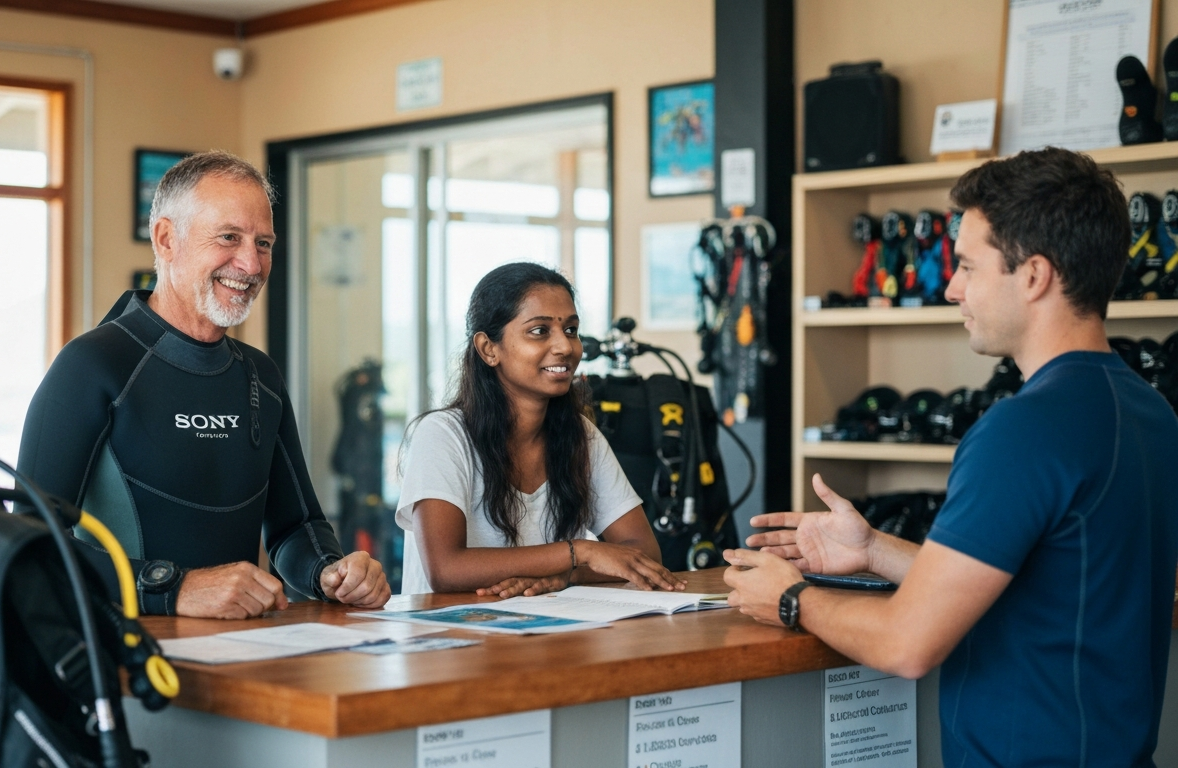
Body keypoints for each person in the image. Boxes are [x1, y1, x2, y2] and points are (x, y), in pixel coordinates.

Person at [723, 147, 1178, 767]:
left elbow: (907, 643)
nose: (951, 285)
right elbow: (1043, 588)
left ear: (1035, 275)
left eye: (967, 265)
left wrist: (791, 597)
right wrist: (873, 550)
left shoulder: (1023, 430)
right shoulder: (1151, 413)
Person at [18, 151, 390, 619]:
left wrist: (332, 573)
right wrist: (176, 588)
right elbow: (29, 543)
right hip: (134, 664)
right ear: (167, 238)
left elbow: (297, 527)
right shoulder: (92, 365)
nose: (251, 266)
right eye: (229, 238)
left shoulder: (260, 376)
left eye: (264, 243)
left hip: (242, 655)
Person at [396, 262, 685, 596]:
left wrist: (569, 576)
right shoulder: (443, 435)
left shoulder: (582, 436)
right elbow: (446, 570)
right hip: (449, 639)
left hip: (543, 637)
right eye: (540, 331)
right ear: (489, 349)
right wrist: (580, 552)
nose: (565, 347)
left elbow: (644, 555)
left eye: (571, 330)